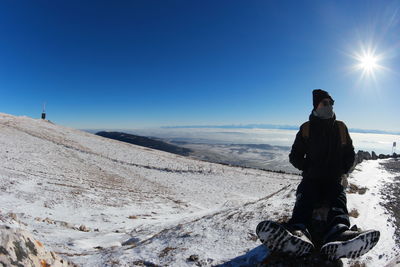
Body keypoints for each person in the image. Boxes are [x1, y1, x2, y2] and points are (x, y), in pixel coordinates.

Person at [287, 89, 356, 245]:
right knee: (304, 197)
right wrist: (308, 168)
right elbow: (294, 156)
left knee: (338, 199)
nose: (329, 105)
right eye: (325, 102)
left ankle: (339, 231)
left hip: (333, 179)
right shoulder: (306, 128)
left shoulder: (340, 128)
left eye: (331, 103)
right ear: (316, 105)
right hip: (312, 179)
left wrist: (342, 170)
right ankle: (299, 230)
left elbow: (350, 153)